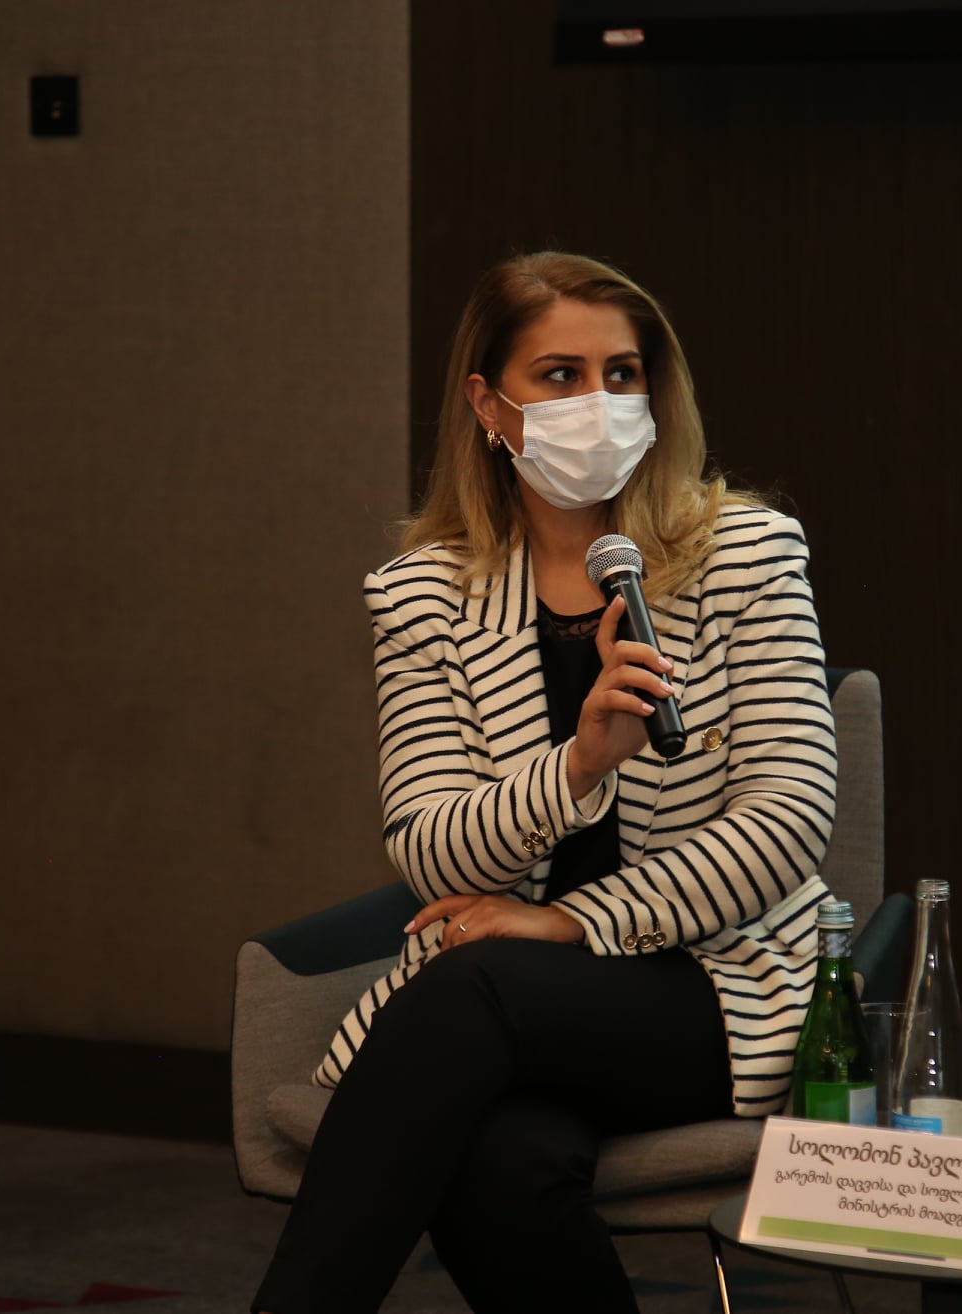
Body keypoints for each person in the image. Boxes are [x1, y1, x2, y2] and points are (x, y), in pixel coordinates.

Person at [254, 251, 837, 1314]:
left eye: (623, 374)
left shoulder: (746, 553)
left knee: (470, 989)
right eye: (561, 375)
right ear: (489, 404)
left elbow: (788, 819)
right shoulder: (425, 594)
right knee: (498, 1164)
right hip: (510, 1010)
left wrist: (569, 924)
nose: (600, 402)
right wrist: (578, 765)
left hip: (716, 982)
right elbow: (430, 846)